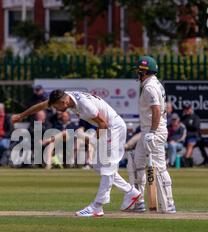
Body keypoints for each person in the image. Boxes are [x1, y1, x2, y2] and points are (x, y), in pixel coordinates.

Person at [12, 90, 142, 217]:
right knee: (98, 166)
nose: (56, 110)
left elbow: (103, 124)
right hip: (107, 128)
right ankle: (132, 192)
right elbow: (41, 105)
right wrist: (21, 115)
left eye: (57, 107)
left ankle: (97, 206)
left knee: (107, 166)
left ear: (64, 102)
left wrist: (94, 141)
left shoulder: (85, 105)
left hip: (113, 128)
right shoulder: (65, 96)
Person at [128, 56, 176, 213]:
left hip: (154, 131)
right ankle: (139, 201)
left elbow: (156, 109)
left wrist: (153, 132)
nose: (137, 76)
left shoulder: (150, 87)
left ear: (144, 72)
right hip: (147, 131)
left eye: (139, 72)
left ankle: (169, 204)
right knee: (137, 164)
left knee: (159, 167)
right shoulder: (153, 84)